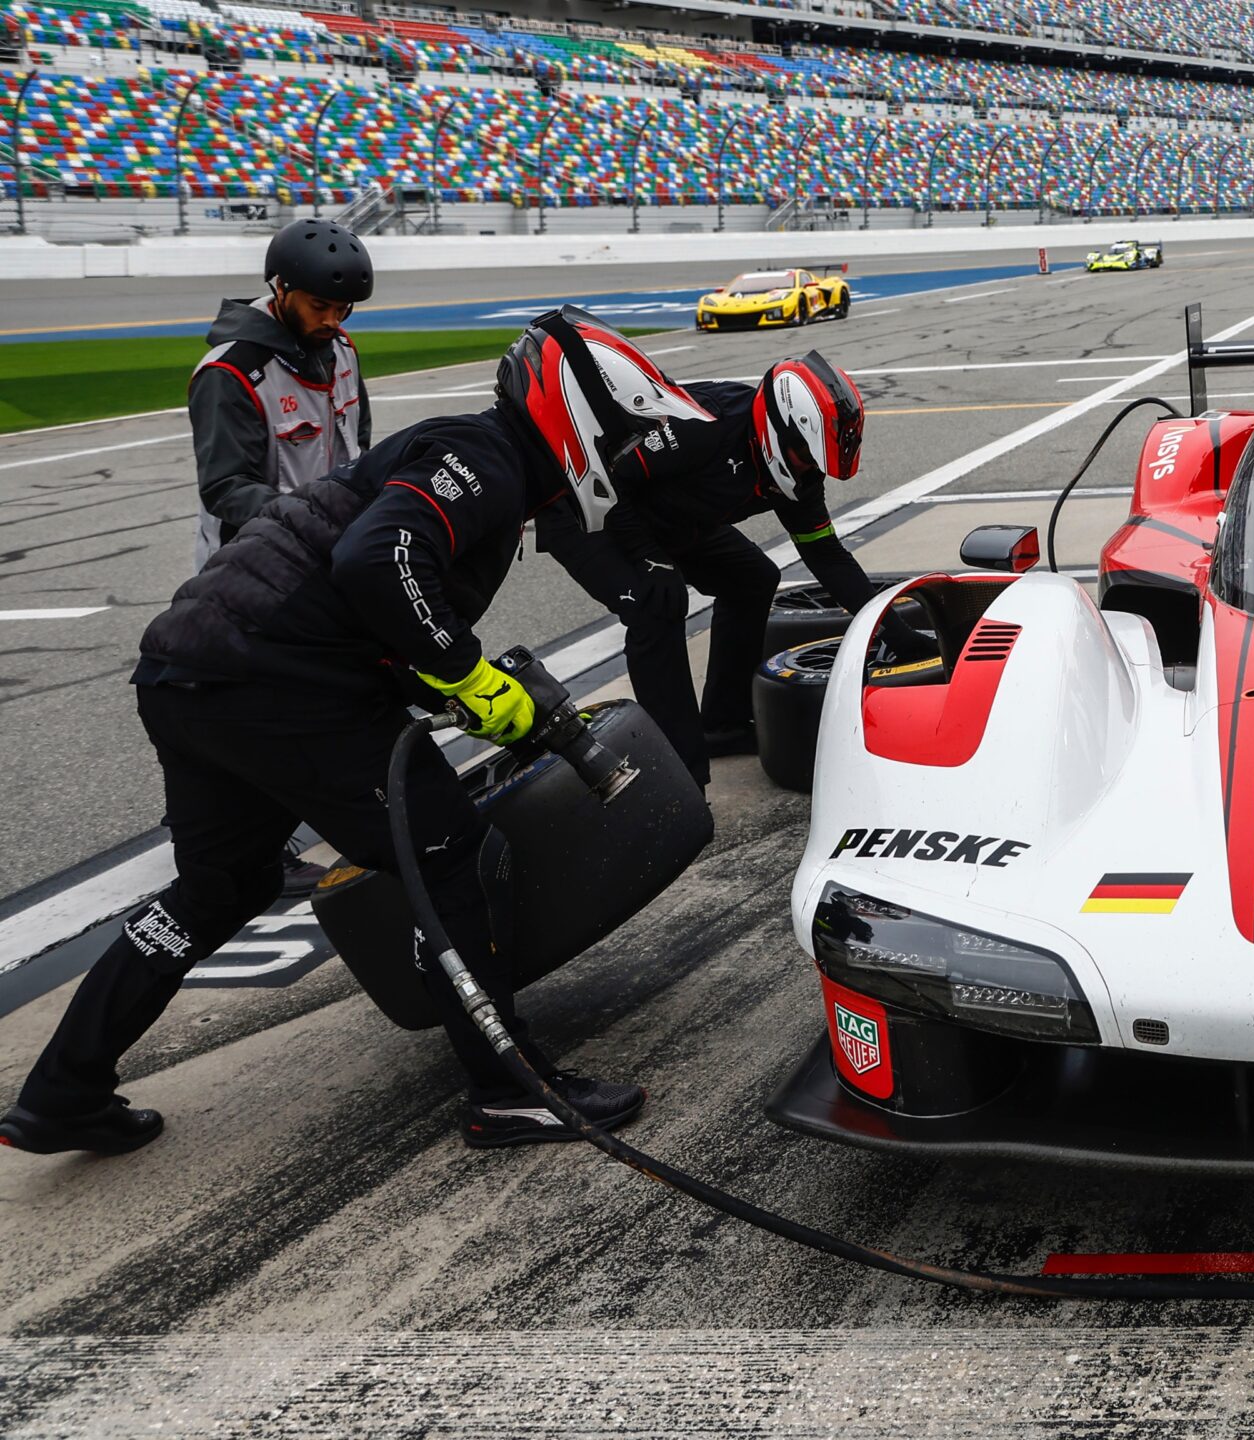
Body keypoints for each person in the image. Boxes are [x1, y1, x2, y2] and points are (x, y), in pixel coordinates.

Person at [0, 308, 709, 1158]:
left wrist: (454, 681)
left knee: (215, 891)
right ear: (581, 421)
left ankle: (61, 1091)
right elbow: (379, 563)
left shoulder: (480, 458)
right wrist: (466, 671)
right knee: (456, 851)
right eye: (629, 440)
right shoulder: (482, 458)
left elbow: (374, 597)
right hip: (275, 681)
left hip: (194, 671)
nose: (634, 460)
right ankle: (507, 1089)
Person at [542, 354, 930, 786]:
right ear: (779, 430)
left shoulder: (799, 470)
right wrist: (650, 561)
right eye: (807, 457)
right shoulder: (703, 427)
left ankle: (722, 724)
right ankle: (676, 766)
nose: (810, 471)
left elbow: (827, 556)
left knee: (753, 578)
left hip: (669, 516)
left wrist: (895, 631)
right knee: (659, 604)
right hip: (586, 506)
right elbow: (603, 480)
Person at [191, 219, 377, 898]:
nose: (332, 321)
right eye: (319, 307)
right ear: (281, 290)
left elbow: (359, 450)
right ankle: (252, 854)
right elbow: (225, 488)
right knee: (267, 711)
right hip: (252, 570)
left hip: (332, 560)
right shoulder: (231, 373)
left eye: (343, 310)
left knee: (331, 695)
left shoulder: (345, 349)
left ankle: (219, 819)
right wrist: (309, 522)